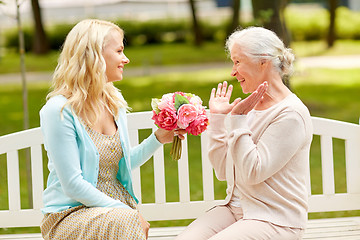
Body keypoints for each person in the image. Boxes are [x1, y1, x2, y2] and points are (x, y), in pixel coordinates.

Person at [39, 19, 185, 240]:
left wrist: (158, 138)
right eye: (119, 51)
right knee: (127, 222)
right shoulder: (58, 111)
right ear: (95, 55)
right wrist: (127, 212)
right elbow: (72, 184)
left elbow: (119, 165)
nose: (126, 59)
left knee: (126, 222)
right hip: (70, 215)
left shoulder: (113, 102)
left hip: (116, 213)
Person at [176, 27, 313, 240]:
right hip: (235, 210)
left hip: (275, 219)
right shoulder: (248, 108)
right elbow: (223, 171)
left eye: (238, 62)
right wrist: (219, 120)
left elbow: (253, 173)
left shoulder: (291, 114)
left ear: (263, 62)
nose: (232, 72)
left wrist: (238, 120)